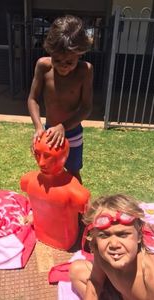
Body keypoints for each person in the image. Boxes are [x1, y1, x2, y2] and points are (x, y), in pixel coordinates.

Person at [27, 15, 93, 183]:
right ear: (50, 52)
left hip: (73, 133)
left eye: (70, 61)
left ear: (80, 54)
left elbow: (86, 107)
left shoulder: (85, 71)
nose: (63, 65)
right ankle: (51, 206)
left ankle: (79, 209)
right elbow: (33, 99)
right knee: (48, 171)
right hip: (48, 134)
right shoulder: (43, 66)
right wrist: (38, 127)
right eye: (57, 59)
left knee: (73, 172)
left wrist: (63, 127)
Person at [69, 194, 154, 299]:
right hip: (119, 292)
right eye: (104, 235)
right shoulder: (101, 252)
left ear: (139, 236)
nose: (114, 244)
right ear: (95, 238)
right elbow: (95, 281)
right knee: (76, 269)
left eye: (123, 235)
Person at [20, 132, 90, 250]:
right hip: (40, 234)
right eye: (37, 154)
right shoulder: (27, 180)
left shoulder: (76, 193)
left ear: (63, 157)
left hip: (66, 242)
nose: (41, 162)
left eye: (48, 156)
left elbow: (88, 216)